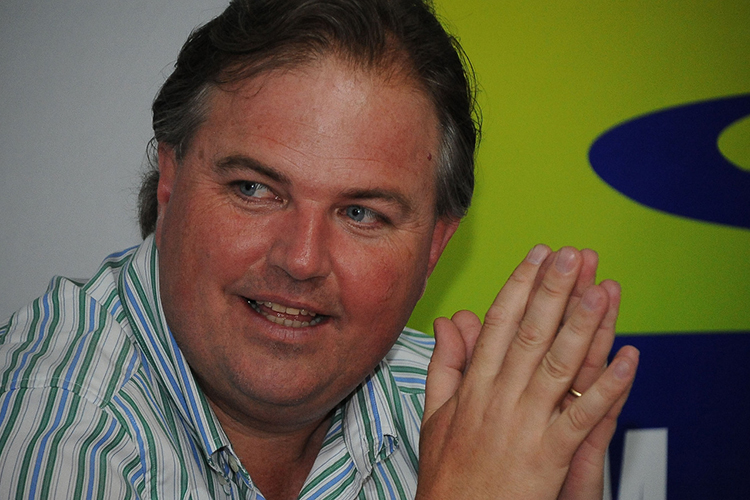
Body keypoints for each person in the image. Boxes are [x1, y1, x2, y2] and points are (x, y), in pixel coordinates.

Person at [0, 0, 639, 498]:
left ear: (435, 246)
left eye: (361, 213)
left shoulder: (473, 430)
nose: (301, 259)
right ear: (170, 181)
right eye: (254, 189)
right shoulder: (53, 428)